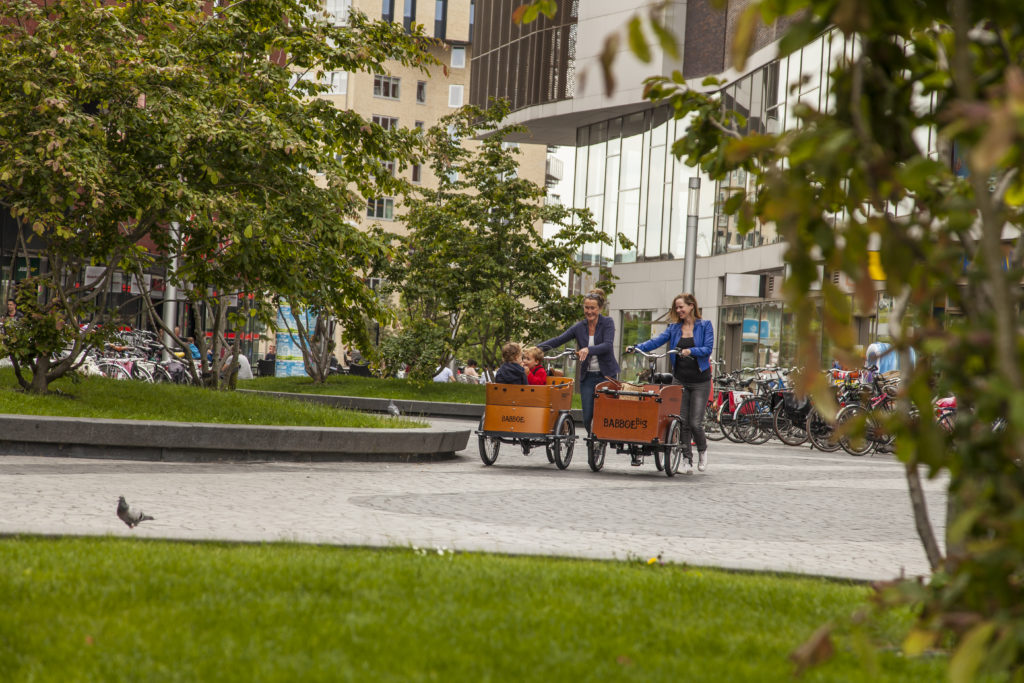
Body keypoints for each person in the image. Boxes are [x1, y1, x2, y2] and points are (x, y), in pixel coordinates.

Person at [629, 293, 714, 474]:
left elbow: (707, 349)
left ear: (691, 306)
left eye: (681, 307)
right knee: (682, 422)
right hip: (680, 380)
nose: (678, 310)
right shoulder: (674, 328)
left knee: (695, 423)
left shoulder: (705, 325)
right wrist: (637, 347)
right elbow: (656, 341)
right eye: (676, 307)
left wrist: (690, 351)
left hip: (700, 381)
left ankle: (702, 450)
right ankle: (686, 460)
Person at [537, 288, 619, 434]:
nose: (589, 311)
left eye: (593, 308)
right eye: (586, 308)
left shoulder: (608, 323)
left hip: (606, 375)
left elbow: (607, 345)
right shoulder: (579, 327)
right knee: (587, 417)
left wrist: (588, 349)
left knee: (606, 414)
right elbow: (558, 340)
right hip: (588, 377)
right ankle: (594, 440)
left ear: (599, 308)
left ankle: (605, 439)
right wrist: (536, 349)